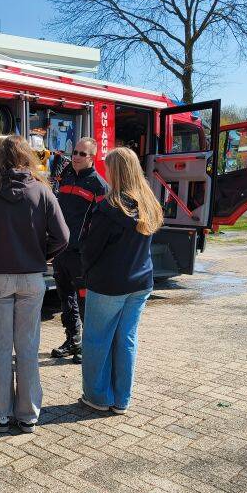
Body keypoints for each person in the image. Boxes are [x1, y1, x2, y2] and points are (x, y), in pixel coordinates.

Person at [0, 135, 69, 434]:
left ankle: (0, 414)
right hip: (32, 277)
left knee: (0, 347)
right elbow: (63, 237)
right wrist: (40, 255)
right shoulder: (42, 191)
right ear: (26, 156)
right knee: (28, 347)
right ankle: (29, 414)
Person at [79, 147, 164, 414]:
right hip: (140, 283)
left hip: (108, 284)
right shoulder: (148, 203)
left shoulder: (109, 207)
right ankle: (122, 400)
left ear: (116, 171)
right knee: (126, 339)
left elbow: (91, 249)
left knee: (96, 340)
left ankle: (98, 397)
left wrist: (85, 271)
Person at [51, 138, 109, 364]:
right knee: (65, 299)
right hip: (61, 252)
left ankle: (88, 346)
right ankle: (72, 340)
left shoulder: (99, 185)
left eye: (82, 153)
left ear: (91, 157)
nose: (75, 156)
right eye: (74, 152)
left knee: (85, 303)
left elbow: (102, 225)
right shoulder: (64, 176)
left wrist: (91, 252)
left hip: (82, 256)